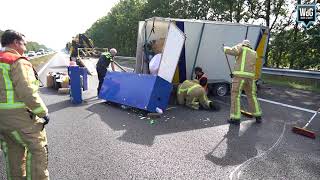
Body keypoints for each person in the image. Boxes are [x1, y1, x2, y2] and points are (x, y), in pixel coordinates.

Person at [0, 30, 50, 180]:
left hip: (2, 121)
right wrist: (42, 112)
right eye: (24, 43)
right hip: (19, 118)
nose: (26, 48)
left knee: (13, 153)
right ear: (16, 42)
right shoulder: (17, 60)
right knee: (38, 150)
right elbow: (27, 91)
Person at [224, 39, 262, 125]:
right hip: (250, 78)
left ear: (243, 44)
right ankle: (258, 116)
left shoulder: (241, 47)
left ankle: (235, 118)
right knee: (252, 96)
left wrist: (224, 48)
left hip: (239, 77)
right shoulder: (254, 52)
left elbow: (233, 51)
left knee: (235, 96)